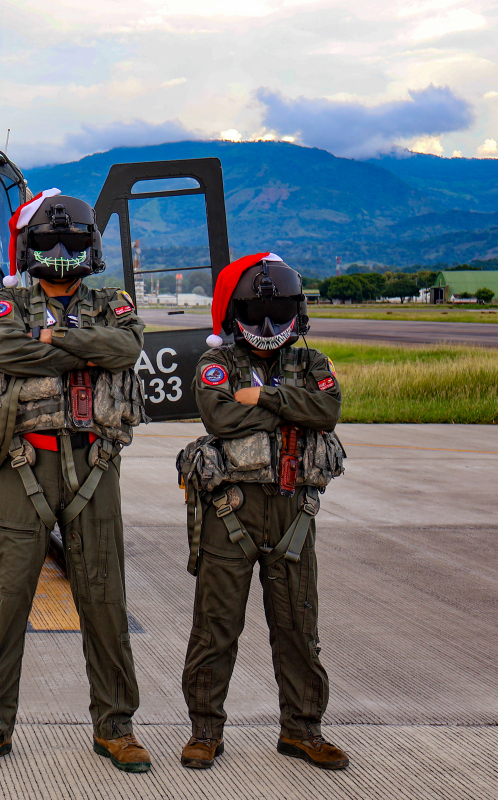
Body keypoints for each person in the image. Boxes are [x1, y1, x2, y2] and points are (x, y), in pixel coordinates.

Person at [0, 190, 151, 773]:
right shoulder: (7, 301)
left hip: (94, 464)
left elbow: (127, 347)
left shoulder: (110, 301)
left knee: (104, 596)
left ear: (89, 246)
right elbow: (1, 350)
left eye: (71, 242)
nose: (61, 251)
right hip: (23, 462)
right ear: (28, 246)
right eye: (48, 241)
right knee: (7, 596)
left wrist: (51, 340)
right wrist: (83, 352)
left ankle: (115, 726)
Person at [176, 253, 348, 771]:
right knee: (216, 625)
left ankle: (302, 730)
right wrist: (288, 404)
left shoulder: (313, 363)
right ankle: (205, 731)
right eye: (255, 316)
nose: (268, 328)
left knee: (299, 627)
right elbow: (220, 415)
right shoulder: (218, 365)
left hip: (294, 511)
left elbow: (329, 409)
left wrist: (264, 395)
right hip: (232, 513)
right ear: (234, 316)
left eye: (278, 316)